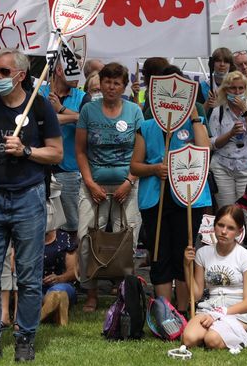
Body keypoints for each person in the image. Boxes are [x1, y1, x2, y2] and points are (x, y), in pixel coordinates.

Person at [0, 49, 63, 364]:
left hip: (28, 197)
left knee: (29, 275)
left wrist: (26, 151)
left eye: (3, 72)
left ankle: (25, 338)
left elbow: (56, 153)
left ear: (21, 75)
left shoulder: (40, 106)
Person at [131, 68, 211, 314]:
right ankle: (165, 312)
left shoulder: (195, 123)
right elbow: (134, 166)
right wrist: (154, 169)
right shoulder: (146, 127)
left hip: (188, 199)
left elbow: (205, 151)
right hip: (155, 199)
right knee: (159, 253)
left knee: (183, 252)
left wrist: (195, 115)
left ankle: (184, 308)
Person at [74, 62, 143, 312]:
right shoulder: (88, 111)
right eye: (107, 82)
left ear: (124, 86)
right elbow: (80, 151)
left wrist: (129, 181)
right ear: (100, 83)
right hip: (93, 186)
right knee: (86, 239)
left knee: (129, 240)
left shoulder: (135, 111)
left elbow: (140, 151)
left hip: (127, 185)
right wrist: (91, 183)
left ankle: (124, 292)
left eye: (117, 83)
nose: (111, 87)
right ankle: (91, 293)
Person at [205, 70, 247, 294]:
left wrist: (246, 112)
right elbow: (212, 142)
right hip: (223, 167)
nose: (236, 92)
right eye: (231, 89)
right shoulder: (219, 111)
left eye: (240, 88)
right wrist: (230, 133)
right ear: (225, 90)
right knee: (226, 214)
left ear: (246, 90)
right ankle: (227, 259)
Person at [180, 204, 247, 352]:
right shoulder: (203, 253)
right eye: (220, 225)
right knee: (188, 339)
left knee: (212, 340)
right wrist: (186, 266)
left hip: (237, 310)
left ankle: (245, 332)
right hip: (209, 306)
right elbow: (196, 295)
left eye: (230, 228)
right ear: (214, 226)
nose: (223, 231)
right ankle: (220, 331)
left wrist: (220, 314)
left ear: (239, 231)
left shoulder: (245, 257)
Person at [43, 60, 86, 240]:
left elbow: (86, 120)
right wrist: (69, 117)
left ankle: (70, 265)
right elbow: (40, 120)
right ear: (59, 70)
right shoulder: (39, 93)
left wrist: (60, 109)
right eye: (75, 71)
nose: (79, 76)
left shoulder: (83, 97)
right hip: (42, 166)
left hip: (69, 168)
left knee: (71, 223)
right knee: (43, 223)